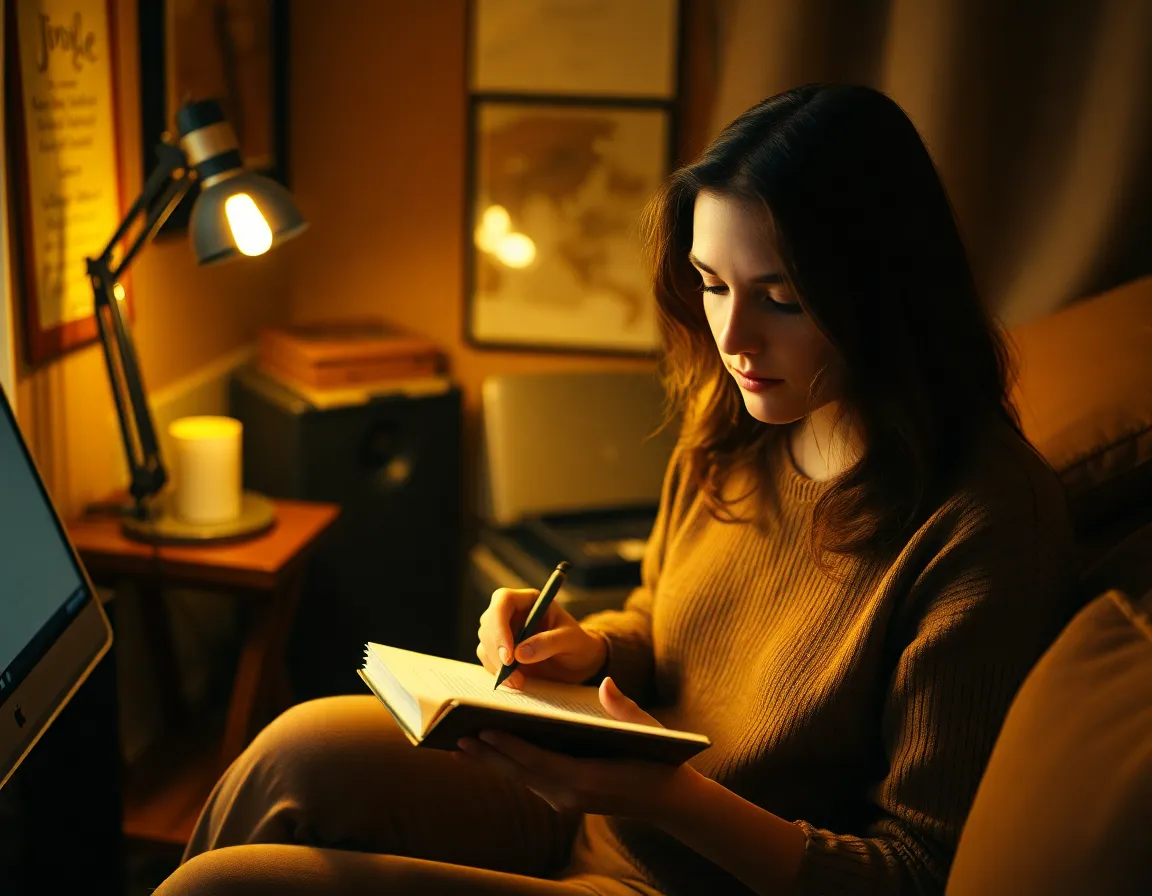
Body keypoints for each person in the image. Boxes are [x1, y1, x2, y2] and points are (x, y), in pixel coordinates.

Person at [155, 83, 1077, 896]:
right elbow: (663, 632)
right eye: (712, 286)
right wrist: (587, 650)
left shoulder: (984, 523)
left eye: (781, 297)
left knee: (230, 888)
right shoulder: (745, 424)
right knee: (299, 746)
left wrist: (665, 798)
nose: (734, 337)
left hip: (690, 873)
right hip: (604, 808)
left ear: (888, 291)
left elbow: (915, 875)